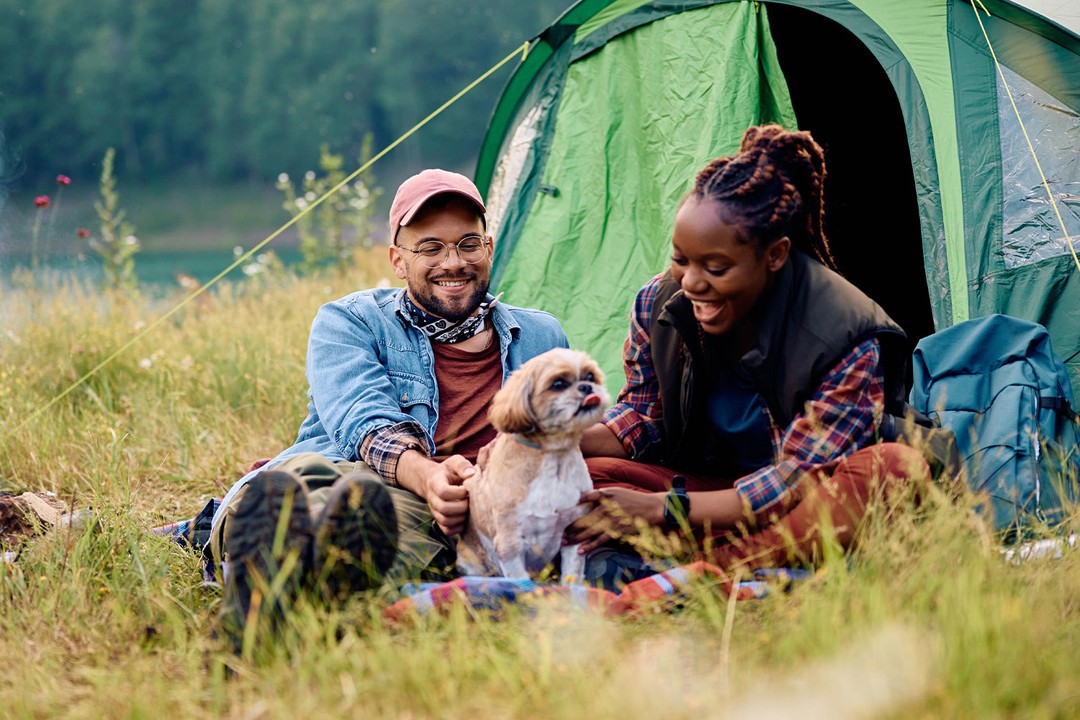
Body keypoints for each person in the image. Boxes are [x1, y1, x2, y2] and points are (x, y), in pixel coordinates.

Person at [207, 169, 568, 644]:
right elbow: (364, 423)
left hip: (439, 514)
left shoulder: (543, 338)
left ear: (489, 248)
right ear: (398, 261)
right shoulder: (350, 320)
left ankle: (279, 603)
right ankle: (277, 561)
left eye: (467, 244)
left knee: (394, 531)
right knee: (326, 486)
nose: (453, 262)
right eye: (430, 248)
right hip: (345, 469)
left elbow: (566, 439)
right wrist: (430, 475)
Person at [570, 124, 930, 591]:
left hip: (800, 501)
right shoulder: (657, 305)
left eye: (715, 268)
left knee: (895, 470)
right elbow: (642, 415)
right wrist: (557, 441)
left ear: (775, 255)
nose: (691, 283)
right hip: (705, 492)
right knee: (588, 477)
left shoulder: (845, 334)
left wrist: (664, 511)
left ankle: (695, 570)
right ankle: (692, 562)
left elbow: (797, 479)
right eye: (682, 259)